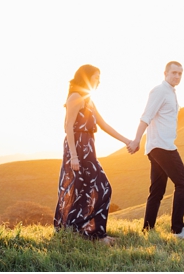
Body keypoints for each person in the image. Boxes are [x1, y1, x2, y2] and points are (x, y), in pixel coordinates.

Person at [53, 64, 132, 245]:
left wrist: (126, 141)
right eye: (96, 77)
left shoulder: (89, 100)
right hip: (78, 149)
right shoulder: (76, 97)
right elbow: (68, 127)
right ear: (87, 78)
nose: (99, 80)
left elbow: (104, 125)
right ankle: (92, 234)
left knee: (91, 189)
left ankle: (92, 233)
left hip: (88, 147)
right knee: (96, 188)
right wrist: (73, 155)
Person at [127, 61, 184, 239]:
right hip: (162, 147)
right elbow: (146, 116)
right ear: (165, 73)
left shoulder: (170, 92)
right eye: (174, 73)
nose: (177, 76)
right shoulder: (160, 91)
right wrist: (136, 139)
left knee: (157, 191)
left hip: (160, 146)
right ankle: (177, 230)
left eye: (180, 74)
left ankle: (147, 230)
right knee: (183, 183)